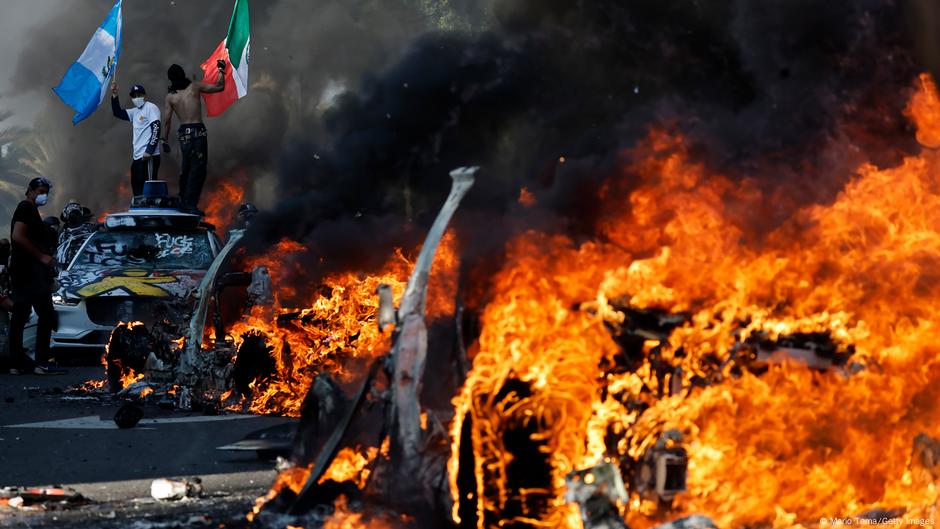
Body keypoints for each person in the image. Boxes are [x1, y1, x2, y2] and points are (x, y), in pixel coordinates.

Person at [9, 177, 65, 375]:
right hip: (29, 274)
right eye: (40, 191)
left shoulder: (31, 210)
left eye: (46, 192)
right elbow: (18, 235)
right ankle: (41, 362)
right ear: (30, 191)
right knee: (46, 314)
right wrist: (41, 256)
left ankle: (16, 363)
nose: (44, 196)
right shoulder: (26, 208)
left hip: (25, 272)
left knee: (20, 315)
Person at [161, 61, 226, 215]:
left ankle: (183, 200)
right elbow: (219, 86)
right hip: (197, 132)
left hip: (184, 133)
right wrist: (221, 70)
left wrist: (164, 139)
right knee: (198, 169)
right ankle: (190, 204)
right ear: (183, 74)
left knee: (186, 168)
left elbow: (167, 121)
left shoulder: (170, 97)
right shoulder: (194, 87)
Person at [111, 82, 162, 196]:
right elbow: (117, 112)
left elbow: (156, 128)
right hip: (137, 157)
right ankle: (140, 206)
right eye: (134, 95)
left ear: (145, 95)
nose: (136, 97)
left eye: (139, 94)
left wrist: (149, 150)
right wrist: (115, 94)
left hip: (148, 156)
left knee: (149, 190)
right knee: (137, 189)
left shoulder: (150, 107)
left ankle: (150, 207)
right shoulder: (134, 112)